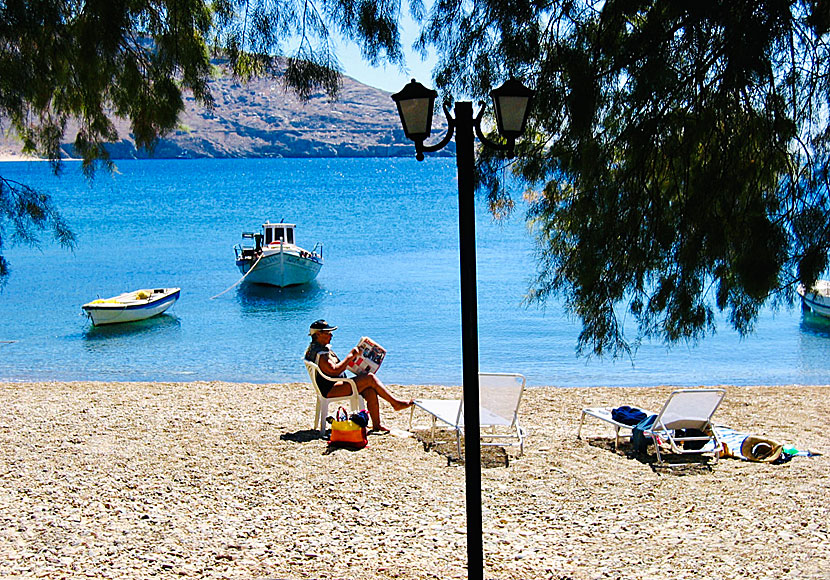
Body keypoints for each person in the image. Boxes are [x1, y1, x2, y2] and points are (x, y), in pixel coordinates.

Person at [304, 319, 413, 433]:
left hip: (333, 385)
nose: (331, 335)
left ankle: (377, 425)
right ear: (317, 335)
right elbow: (334, 371)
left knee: (370, 389)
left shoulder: (316, 348)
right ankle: (395, 403)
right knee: (370, 378)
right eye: (327, 333)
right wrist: (351, 356)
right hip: (331, 389)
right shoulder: (321, 354)